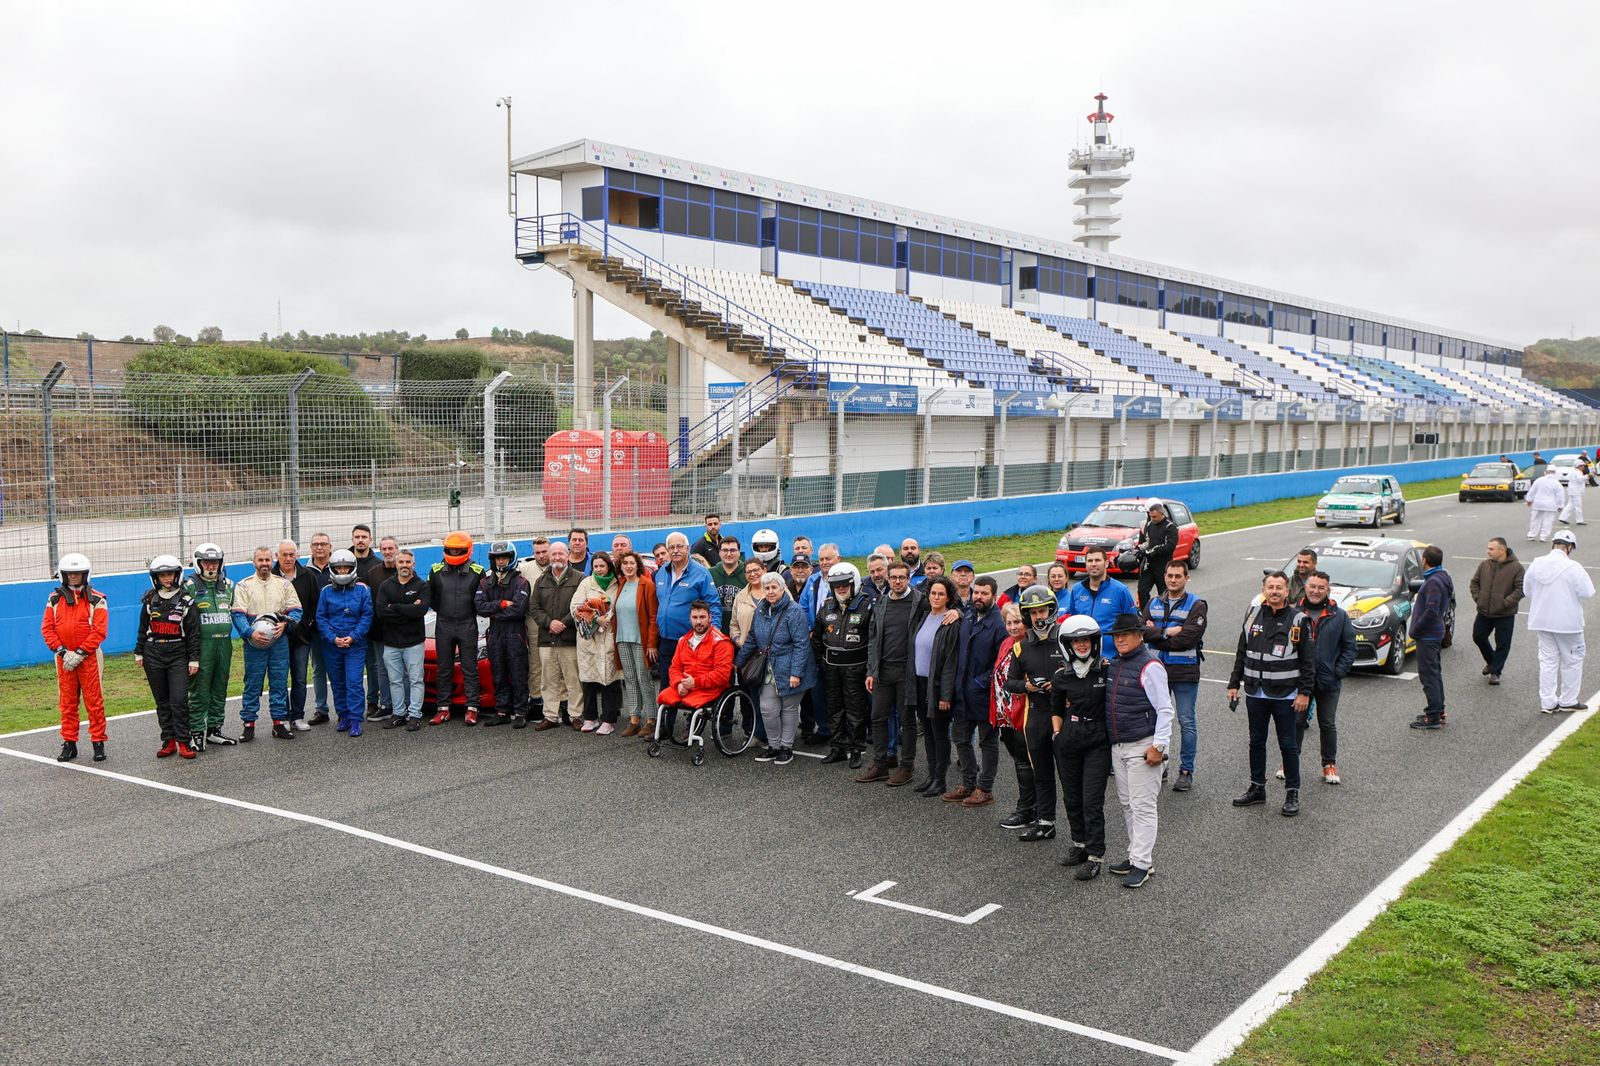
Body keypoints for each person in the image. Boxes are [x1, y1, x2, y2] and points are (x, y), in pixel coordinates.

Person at [1229, 572, 1315, 816]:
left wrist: (1304, 693)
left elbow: (1308, 662)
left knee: (1288, 745)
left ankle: (1292, 792)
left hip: (1285, 695)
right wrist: (1234, 683)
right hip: (1255, 693)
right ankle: (1257, 787)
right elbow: (1241, 652)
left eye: (1279, 587)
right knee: (1256, 742)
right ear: (1263, 590)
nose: (1275, 591)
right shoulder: (1252, 615)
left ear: (1287, 591)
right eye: (1270, 587)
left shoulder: (1299, 620)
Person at [1101, 613, 1173, 888]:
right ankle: (1136, 856)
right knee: (1128, 804)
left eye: (1126, 634)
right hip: (1119, 745)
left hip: (1143, 746)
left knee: (1142, 807)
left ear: (1139, 635)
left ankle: (1142, 863)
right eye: (1117, 635)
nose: (1120, 639)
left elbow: (1165, 710)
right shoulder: (1117, 662)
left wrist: (1158, 747)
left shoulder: (1150, 666)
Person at [1051, 615, 1112, 881]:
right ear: (1068, 645)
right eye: (1076, 641)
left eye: (1086, 639)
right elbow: (1056, 709)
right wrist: (1057, 733)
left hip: (1097, 741)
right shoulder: (1061, 676)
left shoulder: (1106, 671)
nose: (1082, 644)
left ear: (1094, 641)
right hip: (1069, 739)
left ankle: (1095, 855)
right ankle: (1079, 844)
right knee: (1072, 797)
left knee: (1091, 801)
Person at [1005, 585, 1065, 840]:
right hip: (1036, 716)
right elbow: (1010, 682)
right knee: (1041, 773)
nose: (1038, 617)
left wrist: (1060, 683)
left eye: (1042, 611)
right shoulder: (1021, 647)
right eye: (1033, 612)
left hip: (1064, 715)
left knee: (1069, 776)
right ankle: (1046, 822)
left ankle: (1081, 834)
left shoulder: (1066, 638)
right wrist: (1027, 687)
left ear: (1051, 610)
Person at [1142, 559, 1207, 792]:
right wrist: (1167, 632)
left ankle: (1186, 771)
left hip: (1184, 672)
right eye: (1169, 575)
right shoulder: (1153, 602)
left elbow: (1187, 639)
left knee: (1186, 721)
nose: (1173, 579)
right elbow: (1141, 631)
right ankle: (1160, 763)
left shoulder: (1197, 605)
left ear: (1186, 578)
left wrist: (1156, 634)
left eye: (1178, 576)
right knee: (1155, 720)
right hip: (1156, 672)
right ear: (1165, 576)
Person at [738, 573, 817, 765]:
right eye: (767, 588)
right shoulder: (761, 609)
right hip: (768, 667)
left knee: (789, 709)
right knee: (767, 709)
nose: (770, 591)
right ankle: (773, 746)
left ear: (783, 589)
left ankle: (786, 748)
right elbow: (752, 638)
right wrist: (738, 662)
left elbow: (802, 644)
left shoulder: (794, 611)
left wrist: (796, 673)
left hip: (791, 668)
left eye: (774, 587)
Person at [858, 561, 925, 785]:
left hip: (907, 672)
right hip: (883, 672)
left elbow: (943, 608)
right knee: (878, 717)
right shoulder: (882, 601)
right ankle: (881, 764)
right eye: (893, 577)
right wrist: (871, 670)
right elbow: (873, 638)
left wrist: (956, 611)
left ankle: (907, 767)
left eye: (901, 577)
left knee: (907, 721)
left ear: (908, 579)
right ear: (888, 578)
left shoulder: (919, 601)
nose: (897, 581)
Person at [42, 553, 109, 763]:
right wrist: (63, 652)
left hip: (89, 658)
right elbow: (47, 629)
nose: (73, 577)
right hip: (64, 659)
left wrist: (80, 653)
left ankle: (98, 742)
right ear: (63, 575)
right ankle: (69, 744)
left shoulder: (97, 599)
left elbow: (99, 631)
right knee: (67, 702)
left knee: (94, 702)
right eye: (69, 574)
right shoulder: (54, 599)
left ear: (85, 575)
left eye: (77, 573)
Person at [232, 545, 304, 741]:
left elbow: (297, 610)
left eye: (267, 560)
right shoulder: (244, 585)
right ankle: (248, 724)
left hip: (279, 642)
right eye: (260, 560)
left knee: (279, 682)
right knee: (252, 683)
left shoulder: (284, 584)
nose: (264, 563)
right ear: (254, 562)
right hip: (254, 643)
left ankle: (279, 723)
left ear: (272, 561)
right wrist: (250, 633)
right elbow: (237, 615)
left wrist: (285, 624)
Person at [135, 554, 200, 759]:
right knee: (162, 701)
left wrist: (194, 659)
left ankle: (184, 742)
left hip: (178, 654)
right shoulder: (149, 600)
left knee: (179, 700)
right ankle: (169, 741)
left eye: (170, 574)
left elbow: (193, 634)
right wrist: (139, 652)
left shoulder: (187, 601)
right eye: (162, 575)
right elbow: (142, 628)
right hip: (153, 653)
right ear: (155, 577)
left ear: (177, 575)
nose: (166, 578)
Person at [1295, 570, 1357, 784]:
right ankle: (1289, 761)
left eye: (1321, 588)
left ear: (1328, 590)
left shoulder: (1340, 616)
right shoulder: (1294, 613)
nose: (1316, 591)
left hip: (1328, 681)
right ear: (1305, 587)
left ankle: (1329, 764)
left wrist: (1337, 672)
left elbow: (1350, 648)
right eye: (1312, 586)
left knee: (1327, 724)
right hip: (1299, 681)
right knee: (1296, 722)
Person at [1524, 530, 1594, 713]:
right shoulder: (1573, 567)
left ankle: (1547, 702)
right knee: (1573, 660)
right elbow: (1588, 592)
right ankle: (1568, 700)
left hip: (1542, 619)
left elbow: (1527, 591)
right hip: (1568, 622)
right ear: (1569, 547)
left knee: (1548, 661)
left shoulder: (1536, 563)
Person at [949, 575, 1004, 805]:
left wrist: (980, 683)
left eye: (984, 593)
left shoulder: (999, 624)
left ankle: (985, 789)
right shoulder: (969, 615)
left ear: (994, 596)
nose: (979, 597)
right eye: (977, 592)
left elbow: (1001, 662)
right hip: (963, 692)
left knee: (987, 742)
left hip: (985, 694)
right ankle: (968, 784)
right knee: (960, 738)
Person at [654, 532, 722, 713]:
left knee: (691, 685)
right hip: (666, 639)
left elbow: (713, 604)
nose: (675, 550)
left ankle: (691, 724)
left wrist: (714, 635)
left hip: (691, 642)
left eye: (679, 546)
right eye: (671, 547)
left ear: (688, 548)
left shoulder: (701, 573)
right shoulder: (661, 573)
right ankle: (665, 725)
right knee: (667, 684)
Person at [812, 562, 872, 768]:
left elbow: (874, 639)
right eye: (836, 585)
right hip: (831, 668)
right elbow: (817, 637)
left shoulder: (867, 605)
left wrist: (869, 669)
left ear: (854, 583)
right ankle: (838, 747)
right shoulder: (826, 606)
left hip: (856, 669)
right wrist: (820, 660)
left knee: (855, 709)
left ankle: (856, 749)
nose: (841, 588)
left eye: (845, 584)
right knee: (833, 708)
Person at [911, 576, 964, 797]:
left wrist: (945, 695)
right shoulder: (924, 617)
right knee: (928, 734)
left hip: (938, 686)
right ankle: (931, 776)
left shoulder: (951, 622)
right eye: (933, 593)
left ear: (948, 597)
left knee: (940, 734)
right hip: (920, 683)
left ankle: (940, 780)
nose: (936, 597)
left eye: (941, 594)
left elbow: (951, 662)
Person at [429, 531, 486, 725]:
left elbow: (481, 600)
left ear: (467, 550)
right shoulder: (435, 570)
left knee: (469, 667)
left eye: (458, 550)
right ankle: (443, 708)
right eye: (451, 549)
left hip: (467, 624)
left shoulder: (478, 571)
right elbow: (432, 598)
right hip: (443, 624)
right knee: (443, 668)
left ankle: (472, 708)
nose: (454, 552)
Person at [184, 543, 237, 750]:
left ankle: (215, 729)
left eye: (215, 562)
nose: (211, 566)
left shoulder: (229, 585)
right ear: (198, 563)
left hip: (224, 644)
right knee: (199, 689)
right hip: (201, 645)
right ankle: (196, 731)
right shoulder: (188, 586)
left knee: (220, 687)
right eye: (207, 562)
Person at [656, 601, 734, 740]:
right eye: (695, 617)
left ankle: (692, 733)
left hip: (709, 689)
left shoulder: (721, 642)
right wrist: (678, 684)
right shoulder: (683, 640)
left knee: (690, 702)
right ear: (690, 618)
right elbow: (674, 668)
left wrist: (695, 682)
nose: (698, 621)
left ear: (710, 617)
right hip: (685, 686)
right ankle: (661, 735)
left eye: (702, 617)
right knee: (664, 696)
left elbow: (722, 674)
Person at [475, 540, 532, 728]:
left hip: (515, 634)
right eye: (497, 558)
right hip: (495, 634)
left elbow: (518, 610)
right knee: (498, 673)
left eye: (504, 557)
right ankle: (502, 711)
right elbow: (480, 608)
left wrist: (494, 612)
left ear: (511, 558)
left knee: (518, 673)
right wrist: (501, 604)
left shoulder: (521, 582)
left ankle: (521, 712)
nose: (501, 561)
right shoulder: (484, 582)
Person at [317, 549, 372, 737]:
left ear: (352, 568)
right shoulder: (326, 591)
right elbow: (321, 618)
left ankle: (356, 719)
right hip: (332, 645)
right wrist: (332, 638)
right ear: (333, 569)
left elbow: (367, 616)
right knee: (337, 682)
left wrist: (354, 636)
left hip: (355, 645)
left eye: (345, 568)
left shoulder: (363, 590)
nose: (342, 571)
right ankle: (344, 716)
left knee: (354, 682)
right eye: (338, 568)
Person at [991, 604, 1037, 830]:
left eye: (1017, 622)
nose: (1012, 627)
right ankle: (1030, 808)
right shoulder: (1006, 643)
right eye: (1008, 623)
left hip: (1024, 713)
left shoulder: (1031, 645)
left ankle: (1027, 810)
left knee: (1026, 762)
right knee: (1019, 760)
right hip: (1005, 712)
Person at [530, 540, 583, 730]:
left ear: (568, 555)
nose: (557, 557)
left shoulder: (579, 578)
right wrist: (549, 623)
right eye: (553, 554)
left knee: (573, 680)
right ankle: (551, 716)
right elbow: (534, 607)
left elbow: (582, 606)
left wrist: (564, 622)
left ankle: (576, 716)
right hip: (547, 639)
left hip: (569, 638)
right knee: (548, 681)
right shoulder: (541, 580)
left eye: (560, 553)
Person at [376, 549, 430, 731]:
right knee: (395, 680)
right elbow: (381, 611)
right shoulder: (386, 586)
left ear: (413, 564)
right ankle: (398, 713)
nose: (404, 565)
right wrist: (408, 609)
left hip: (414, 642)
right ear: (396, 564)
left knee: (416, 680)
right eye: (401, 562)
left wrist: (395, 607)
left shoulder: (422, 586)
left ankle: (414, 715)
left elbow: (421, 610)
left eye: (408, 562)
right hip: (391, 643)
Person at [572, 550, 623, 734]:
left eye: (602, 566)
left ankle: (608, 720)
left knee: (610, 680)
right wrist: (595, 619)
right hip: (590, 640)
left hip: (610, 637)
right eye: (595, 566)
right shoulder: (586, 583)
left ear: (609, 566)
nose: (599, 569)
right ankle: (590, 718)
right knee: (588, 680)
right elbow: (575, 608)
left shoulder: (618, 583)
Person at [274, 539, 321, 732]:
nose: (288, 558)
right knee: (280, 679)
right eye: (284, 554)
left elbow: (315, 604)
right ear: (277, 556)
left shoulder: (308, 575)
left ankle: (298, 716)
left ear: (297, 555)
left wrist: (307, 625)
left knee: (300, 678)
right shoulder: (271, 576)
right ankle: (283, 717)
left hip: (302, 638)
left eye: (291, 554)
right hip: (278, 637)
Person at [612, 551, 660, 737]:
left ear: (638, 565)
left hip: (641, 640)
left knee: (644, 679)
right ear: (621, 566)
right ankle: (634, 720)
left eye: (632, 563)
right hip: (622, 639)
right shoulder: (621, 583)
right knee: (630, 679)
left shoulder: (646, 584)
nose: (628, 566)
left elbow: (653, 617)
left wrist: (652, 643)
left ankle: (651, 720)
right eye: (625, 563)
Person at [1408, 545, 1454, 731]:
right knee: (1434, 674)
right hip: (1434, 633)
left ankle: (1433, 716)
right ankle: (1438, 710)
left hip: (1427, 635)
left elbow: (1431, 611)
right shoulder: (1442, 577)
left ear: (1425, 560)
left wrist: (1416, 629)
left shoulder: (1433, 582)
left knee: (1428, 676)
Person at [1469, 538, 1524, 686]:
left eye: (1491, 549)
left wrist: (1505, 604)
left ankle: (1495, 672)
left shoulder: (1517, 568)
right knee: (1478, 637)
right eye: (1488, 548)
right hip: (1484, 611)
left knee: (1503, 644)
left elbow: (1520, 590)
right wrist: (1479, 598)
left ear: (1502, 550)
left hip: (1504, 614)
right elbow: (1474, 583)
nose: (1488, 551)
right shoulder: (1484, 565)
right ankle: (1493, 663)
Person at [1065, 548, 1137, 657]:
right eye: (1090, 561)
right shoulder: (1076, 590)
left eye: (1097, 560)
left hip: (1112, 658)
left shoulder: (1121, 591)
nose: (1093, 564)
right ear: (1085, 564)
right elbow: (1073, 621)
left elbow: (1132, 626)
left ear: (1106, 563)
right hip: (1083, 656)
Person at [360, 536, 399, 721]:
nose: (388, 552)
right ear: (380, 550)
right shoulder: (372, 573)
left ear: (396, 549)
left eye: (391, 548)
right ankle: (386, 704)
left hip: (401, 631)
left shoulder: (404, 569)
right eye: (384, 549)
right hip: (379, 630)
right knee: (382, 669)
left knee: (403, 670)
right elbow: (367, 601)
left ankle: (405, 705)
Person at [517, 536, 551, 722]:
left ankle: (560, 703)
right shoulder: (524, 569)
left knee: (556, 663)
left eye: (544, 551)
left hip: (555, 622)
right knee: (535, 664)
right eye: (537, 552)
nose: (541, 555)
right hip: (533, 622)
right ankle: (537, 701)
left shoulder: (560, 566)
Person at [305, 532, 335, 722]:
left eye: (323, 544)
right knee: (318, 669)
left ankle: (343, 709)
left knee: (339, 669)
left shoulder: (339, 567)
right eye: (316, 544)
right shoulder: (305, 571)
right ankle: (321, 709)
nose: (320, 547)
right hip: (315, 630)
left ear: (330, 547)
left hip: (337, 628)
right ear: (311, 548)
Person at [1135, 499, 1179, 607]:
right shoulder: (1149, 525)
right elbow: (1147, 542)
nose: (1152, 519)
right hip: (1148, 566)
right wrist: (1139, 549)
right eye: (1150, 516)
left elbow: (1170, 546)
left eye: (1154, 516)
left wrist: (1154, 551)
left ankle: (1165, 612)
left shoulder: (1171, 527)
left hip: (1163, 566)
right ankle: (1145, 612)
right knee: (1142, 591)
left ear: (1162, 513)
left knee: (1163, 593)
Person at [709, 536, 746, 633]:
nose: (729, 554)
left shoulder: (748, 573)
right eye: (725, 550)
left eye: (733, 550)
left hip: (743, 631)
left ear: (739, 552)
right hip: (716, 631)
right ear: (719, 552)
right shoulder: (709, 574)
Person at [729, 558, 767, 650]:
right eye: (748, 572)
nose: (752, 574)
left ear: (764, 570)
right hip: (747, 652)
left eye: (756, 570)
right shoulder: (740, 597)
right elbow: (734, 625)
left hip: (773, 652)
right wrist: (738, 640)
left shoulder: (777, 591)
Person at [1525, 466, 1566, 543]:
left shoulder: (1539, 480)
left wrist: (1529, 500)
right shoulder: (1556, 483)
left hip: (1538, 503)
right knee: (1548, 520)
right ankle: (1543, 536)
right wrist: (1560, 505)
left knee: (1535, 519)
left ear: (1546, 471)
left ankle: (1531, 534)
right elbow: (1560, 495)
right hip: (1550, 504)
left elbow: (1532, 491)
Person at [1560, 459, 1587, 526]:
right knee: (1578, 506)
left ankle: (1562, 518)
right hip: (1576, 491)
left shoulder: (1573, 471)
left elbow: (1566, 478)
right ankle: (1579, 521)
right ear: (1578, 466)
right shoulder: (1577, 472)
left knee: (1570, 505)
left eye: (1583, 465)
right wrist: (1587, 476)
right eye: (1581, 465)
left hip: (1572, 491)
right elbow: (1580, 479)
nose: (1583, 467)